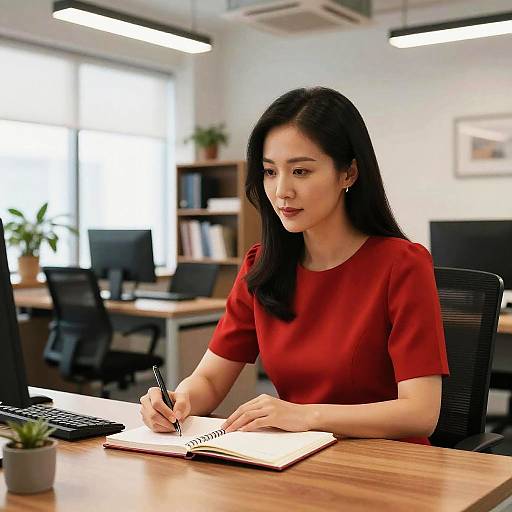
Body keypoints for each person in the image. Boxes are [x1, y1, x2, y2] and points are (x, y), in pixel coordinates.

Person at [140, 87, 449, 445]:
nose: (281, 190)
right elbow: (209, 380)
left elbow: (420, 413)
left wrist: (306, 415)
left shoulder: (401, 265)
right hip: (297, 460)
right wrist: (178, 401)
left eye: (300, 171)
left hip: (387, 468)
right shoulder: (263, 266)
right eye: (270, 172)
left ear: (348, 173)